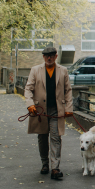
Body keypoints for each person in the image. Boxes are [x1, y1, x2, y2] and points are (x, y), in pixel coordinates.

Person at [24, 47, 73, 180]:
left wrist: (69, 108)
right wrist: (30, 104)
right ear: (43, 57)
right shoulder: (35, 70)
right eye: (46, 56)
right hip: (40, 111)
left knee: (56, 137)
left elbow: (68, 90)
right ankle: (45, 164)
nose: (49, 58)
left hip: (57, 110)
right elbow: (28, 89)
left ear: (56, 56)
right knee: (42, 137)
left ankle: (55, 168)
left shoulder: (63, 70)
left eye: (51, 55)